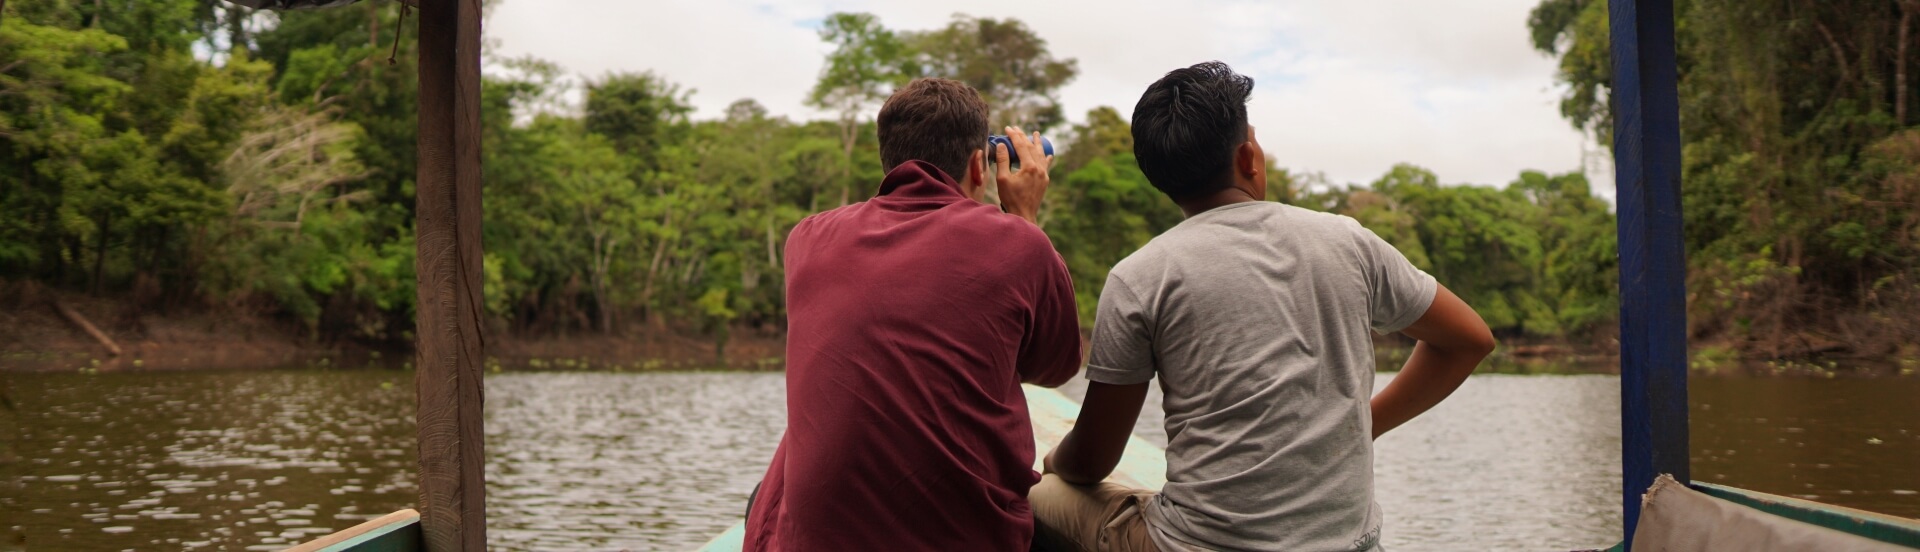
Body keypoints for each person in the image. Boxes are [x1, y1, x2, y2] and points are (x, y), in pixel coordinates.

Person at [1031, 61, 1496, 552]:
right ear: (1248, 157)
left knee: (1040, 495)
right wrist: (1366, 423)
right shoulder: (1345, 241)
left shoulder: (1140, 276)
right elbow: (1469, 340)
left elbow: (1093, 460)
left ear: (1160, 178)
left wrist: (1055, 462)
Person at [743, 77, 1083, 551]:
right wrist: (1023, 217)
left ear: (887, 160)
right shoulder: (1018, 243)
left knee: (765, 495)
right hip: (966, 539)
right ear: (978, 167)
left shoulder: (807, 239)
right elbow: (1056, 365)